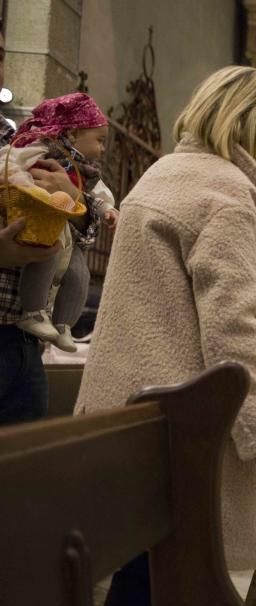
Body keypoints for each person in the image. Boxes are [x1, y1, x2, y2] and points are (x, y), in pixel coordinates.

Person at [74, 66, 256, 606]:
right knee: (174, 590)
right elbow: (233, 330)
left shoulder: (164, 175)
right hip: (183, 425)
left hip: (132, 414)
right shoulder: (225, 194)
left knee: (140, 583)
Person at [0, 29, 86, 425]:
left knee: (22, 478)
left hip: (21, 337)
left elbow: (79, 228)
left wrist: (68, 194)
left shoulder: (13, 136)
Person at [11, 92, 119, 353]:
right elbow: (13, 161)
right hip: (43, 224)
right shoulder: (44, 149)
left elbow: (97, 192)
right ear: (72, 134)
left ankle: (64, 324)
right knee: (43, 259)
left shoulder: (87, 170)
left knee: (79, 274)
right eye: (99, 141)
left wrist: (107, 208)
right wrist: (23, 184)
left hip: (68, 233)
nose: (103, 148)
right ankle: (33, 311)